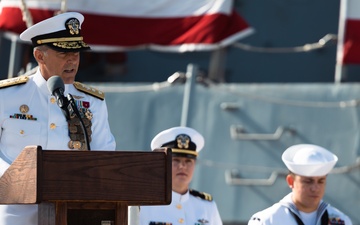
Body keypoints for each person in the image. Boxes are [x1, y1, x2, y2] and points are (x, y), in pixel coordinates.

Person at [0, 12, 116, 225]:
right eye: (64, 53)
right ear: (39, 56)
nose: (72, 60)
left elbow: (105, 157)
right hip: (14, 208)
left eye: (77, 53)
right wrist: (14, 179)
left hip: (71, 207)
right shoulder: (6, 96)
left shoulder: (93, 103)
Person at [247, 144, 353, 225]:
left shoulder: (341, 220)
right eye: (308, 181)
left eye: (321, 181)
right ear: (291, 181)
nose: (315, 188)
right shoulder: (267, 221)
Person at [139, 126, 223, 225]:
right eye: (176, 160)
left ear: (195, 164)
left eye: (188, 161)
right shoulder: (143, 205)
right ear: (164, 164)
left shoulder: (207, 206)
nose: (182, 166)